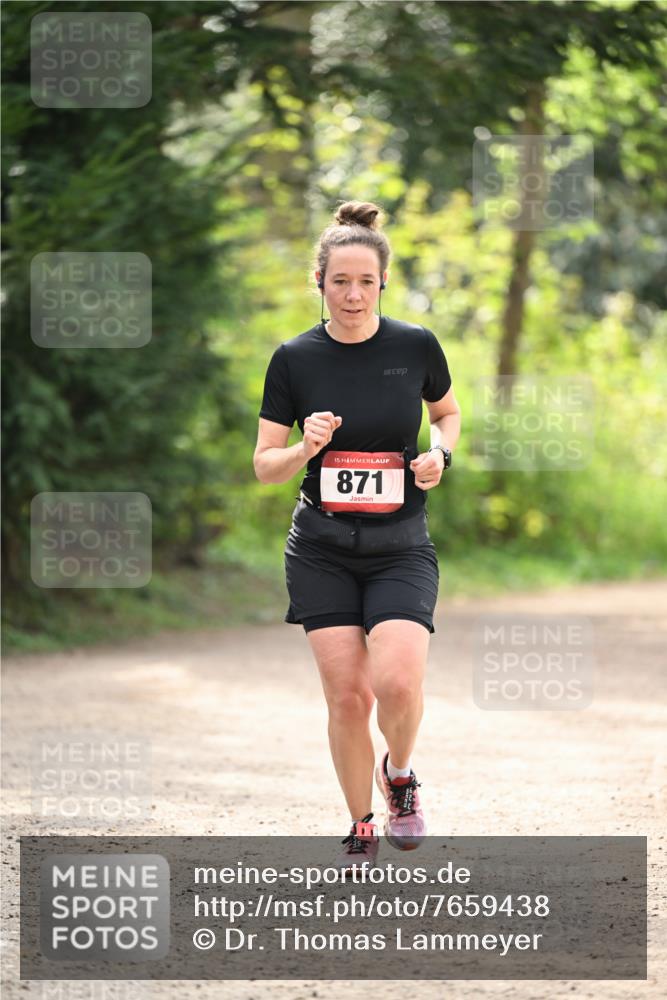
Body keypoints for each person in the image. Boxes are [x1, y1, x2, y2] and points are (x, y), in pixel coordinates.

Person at [254, 201, 461, 869]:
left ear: (382, 285)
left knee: (398, 684)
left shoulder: (415, 345)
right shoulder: (292, 360)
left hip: (400, 545)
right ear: (317, 281)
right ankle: (359, 823)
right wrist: (305, 448)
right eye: (339, 280)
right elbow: (263, 467)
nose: (351, 294)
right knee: (348, 696)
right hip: (320, 548)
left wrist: (439, 456)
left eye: (364, 281)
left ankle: (398, 775)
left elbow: (447, 414)